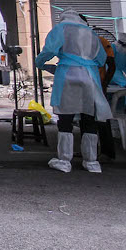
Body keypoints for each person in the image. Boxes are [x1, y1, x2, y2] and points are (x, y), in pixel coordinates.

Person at [35, 9, 111, 174]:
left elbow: (49, 50)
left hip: (67, 76)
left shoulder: (61, 28)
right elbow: (101, 59)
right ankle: (91, 162)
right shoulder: (91, 33)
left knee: (65, 117)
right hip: (90, 76)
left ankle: (64, 160)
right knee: (89, 117)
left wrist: (39, 63)